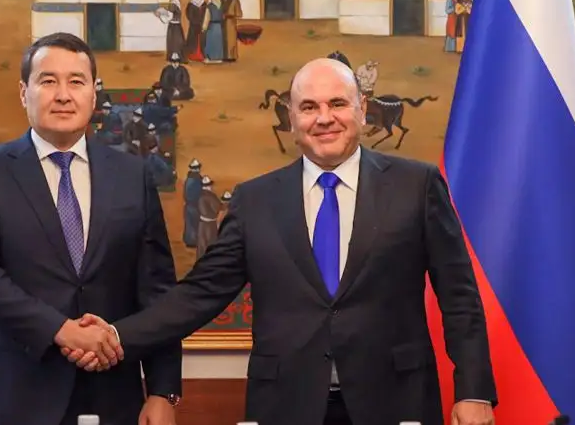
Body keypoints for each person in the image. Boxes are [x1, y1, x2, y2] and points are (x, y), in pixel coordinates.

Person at [66, 58, 497, 425]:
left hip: (396, 400)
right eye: (308, 107)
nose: (323, 118)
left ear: (362, 110)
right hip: (286, 404)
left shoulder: (416, 186)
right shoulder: (256, 200)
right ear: (291, 120)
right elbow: (199, 295)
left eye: (337, 104)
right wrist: (117, 335)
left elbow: (459, 296)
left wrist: (474, 390)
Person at [0, 32, 182, 425]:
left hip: (112, 394)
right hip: (14, 394)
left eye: (76, 81)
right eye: (48, 81)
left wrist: (163, 391)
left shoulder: (132, 176)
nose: (63, 95)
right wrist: (60, 330)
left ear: (93, 93)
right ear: (24, 92)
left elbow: (157, 291)